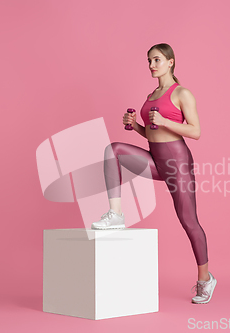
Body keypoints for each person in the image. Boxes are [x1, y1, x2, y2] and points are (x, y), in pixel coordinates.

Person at [91, 43, 217, 304]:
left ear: (170, 62)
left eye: (157, 60)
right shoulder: (150, 97)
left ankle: (205, 280)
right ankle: (115, 214)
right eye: (149, 60)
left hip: (177, 164)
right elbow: (153, 133)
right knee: (113, 150)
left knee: (189, 221)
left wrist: (166, 122)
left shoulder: (182, 93)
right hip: (156, 159)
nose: (151, 65)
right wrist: (136, 126)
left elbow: (195, 131)